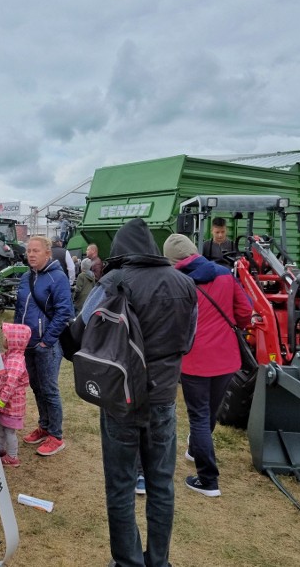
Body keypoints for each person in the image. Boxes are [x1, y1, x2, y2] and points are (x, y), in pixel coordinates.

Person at [80, 218, 197, 567]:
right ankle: (159, 561)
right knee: (161, 484)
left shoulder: (113, 281)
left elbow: (83, 325)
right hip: (163, 398)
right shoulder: (185, 283)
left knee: (120, 485)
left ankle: (128, 562)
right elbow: (188, 341)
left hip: (121, 397)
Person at [163, 234, 253, 498]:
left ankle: (208, 479)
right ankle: (196, 450)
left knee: (199, 417)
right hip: (226, 358)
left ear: (172, 259)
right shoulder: (225, 274)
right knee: (210, 412)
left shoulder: (176, 282)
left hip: (194, 359)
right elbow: (245, 313)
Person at [14, 235, 74, 457]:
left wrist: (46, 341)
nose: (31, 254)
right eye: (29, 250)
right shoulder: (25, 277)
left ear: (48, 254)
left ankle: (56, 436)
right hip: (27, 344)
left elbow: (64, 312)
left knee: (49, 389)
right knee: (36, 388)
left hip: (46, 345)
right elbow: (20, 310)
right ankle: (44, 426)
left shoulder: (57, 278)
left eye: (36, 251)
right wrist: (16, 335)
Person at [0, 322, 32, 468]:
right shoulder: (10, 356)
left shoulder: (15, 362)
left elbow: (10, 386)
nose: (2, 340)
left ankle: (12, 456)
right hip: (4, 404)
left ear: (14, 341)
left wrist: (0, 403)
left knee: (9, 431)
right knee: (1, 426)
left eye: (5, 337)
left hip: (11, 405)